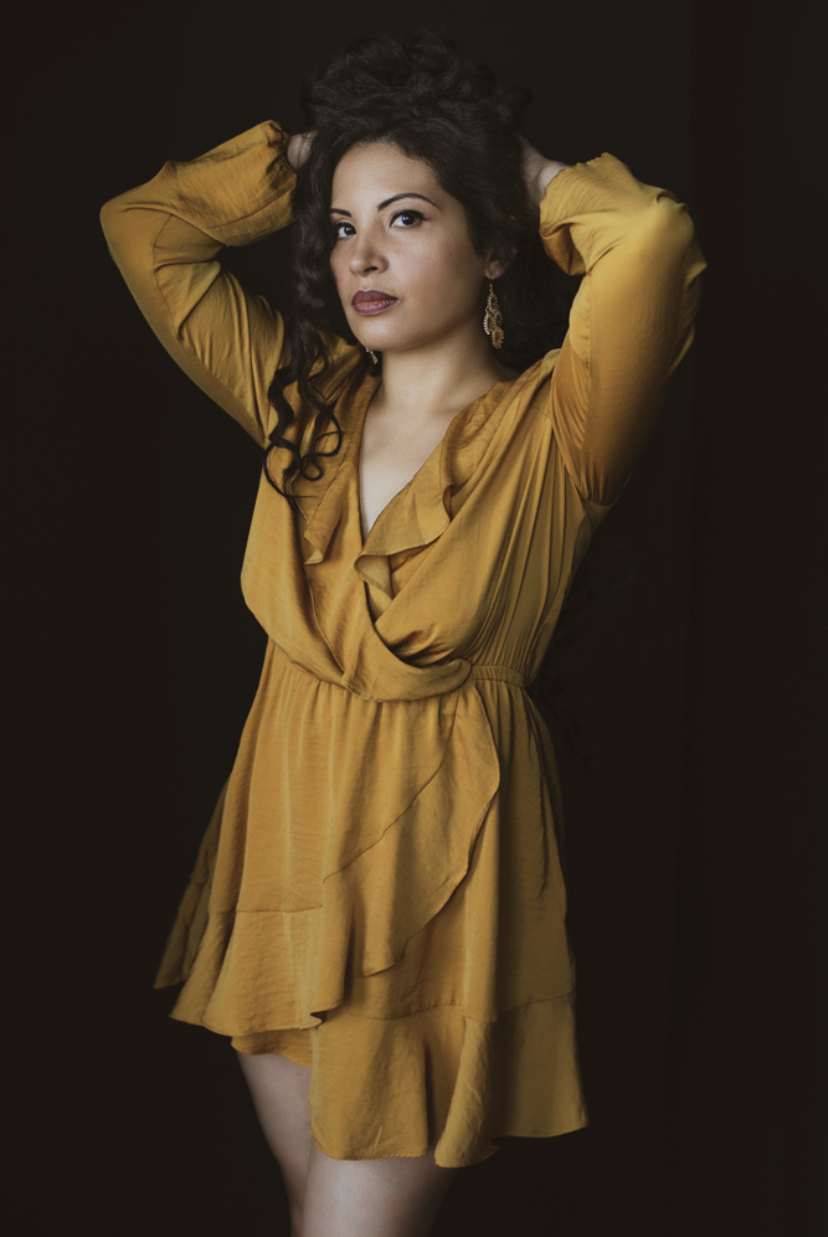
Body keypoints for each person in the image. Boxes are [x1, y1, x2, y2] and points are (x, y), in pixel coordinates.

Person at [100, 29, 706, 1237]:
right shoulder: (303, 398)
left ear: (496, 248)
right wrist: (305, 157)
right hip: (279, 856)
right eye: (341, 226)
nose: (361, 255)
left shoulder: (560, 430)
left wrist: (515, 169)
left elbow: (651, 241)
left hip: (439, 884)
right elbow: (144, 229)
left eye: (409, 219)